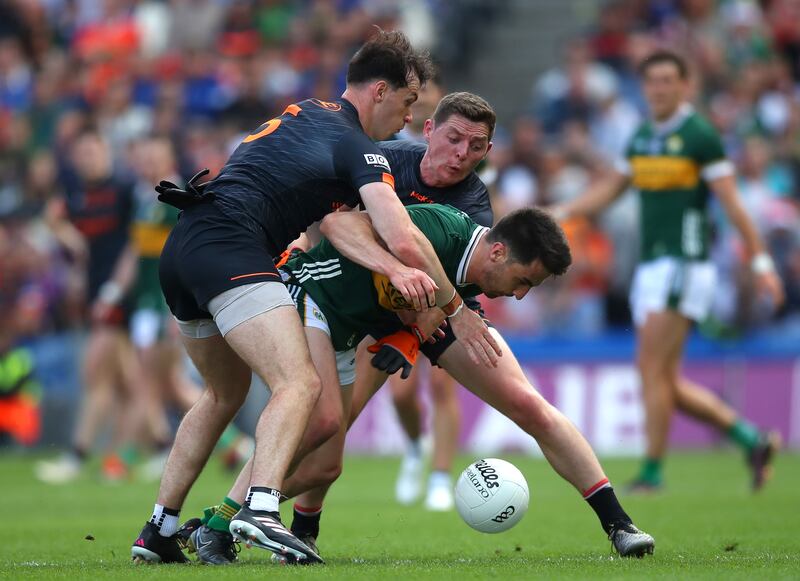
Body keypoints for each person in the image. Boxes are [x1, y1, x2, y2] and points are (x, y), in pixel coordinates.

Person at [131, 30, 499, 565]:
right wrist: (452, 307)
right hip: (233, 249)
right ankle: (258, 511)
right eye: (406, 102)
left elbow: (328, 213)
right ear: (378, 92)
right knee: (298, 383)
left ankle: (159, 529)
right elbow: (400, 234)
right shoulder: (358, 146)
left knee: (220, 394)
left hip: (183, 246)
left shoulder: (305, 110)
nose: (405, 119)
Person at [183, 204, 656, 564]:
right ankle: (232, 523)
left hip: (367, 328)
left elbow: (428, 302)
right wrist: (400, 277)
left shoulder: (474, 258)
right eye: (523, 280)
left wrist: (413, 332)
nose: (519, 294)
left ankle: (619, 525)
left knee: (327, 465)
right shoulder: (433, 225)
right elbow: (337, 223)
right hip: (313, 298)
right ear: (497, 251)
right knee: (325, 420)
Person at [554, 50, 784, 492]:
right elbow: (609, 191)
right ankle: (753, 440)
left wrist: (760, 262)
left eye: (667, 80)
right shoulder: (642, 136)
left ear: (684, 85)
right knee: (666, 381)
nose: (658, 88)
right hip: (652, 268)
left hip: (683, 264)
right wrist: (559, 211)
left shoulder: (698, 135)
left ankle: (653, 472)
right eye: (652, 81)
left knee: (650, 371)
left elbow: (733, 205)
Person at [35, 129, 143, 483]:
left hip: (122, 292)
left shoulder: (125, 189)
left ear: (106, 151)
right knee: (133, 382)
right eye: (81, 153)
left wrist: (114, 289)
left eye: (93, 151)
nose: (88, 159)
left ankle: (77, 455)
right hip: (99, 290)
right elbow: (59, 226)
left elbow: (135, 243)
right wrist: (75, 248)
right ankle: (145, 449)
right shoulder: (78, 195)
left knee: (97, 372)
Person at [391, 78, 465, 511]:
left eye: (431, 103)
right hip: (394, 288)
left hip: (444, 283)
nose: (422, 110)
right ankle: (416, 446)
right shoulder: (389, 153)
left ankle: (440, 475)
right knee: (401, 394)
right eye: (417, 103)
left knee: (442, 388)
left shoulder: (458, 158)